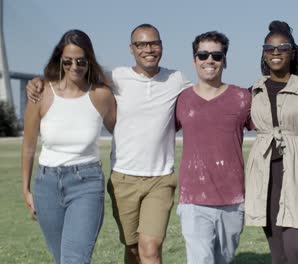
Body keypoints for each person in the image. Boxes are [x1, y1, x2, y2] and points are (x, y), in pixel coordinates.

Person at [27, 24, 191, 264]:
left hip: (161, 178)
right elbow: (78, 76)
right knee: (133, 249)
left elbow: (202, 96)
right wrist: (39, 80)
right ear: (131, 49)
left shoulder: (176, 79)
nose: (148, 49)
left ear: (162, 46)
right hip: (123, 179)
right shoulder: (114, 79)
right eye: (141, 44)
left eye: (154, 43)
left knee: (151, 249)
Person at [21, 29, 116, 264]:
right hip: (47, 186)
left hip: (86, 183)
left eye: (81, 61)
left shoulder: (101, 95)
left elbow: (122, 133)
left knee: (74, 260)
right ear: (60, 61)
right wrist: (26, 190)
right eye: (68, 61)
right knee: (61, 259)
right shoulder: (41, 93)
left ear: (89, 61)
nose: (75, 66)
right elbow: (29, 145)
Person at [244, 21, 298, 264]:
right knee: (279, 255)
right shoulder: (253, 92)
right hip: (265, 178)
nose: (276, 52)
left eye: (282, 47)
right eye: (270, 48)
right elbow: (228, 127)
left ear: (292, 52)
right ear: (263, 53)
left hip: (296, 175)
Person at [175, 31, 253, 264]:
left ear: (225, 60)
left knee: (224, 260)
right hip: (193, 200)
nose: (210, 60)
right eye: (203, 54)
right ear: (194, 60)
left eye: (217, 56)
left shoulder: (243, 98)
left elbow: (269, 130)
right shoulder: (182, 99)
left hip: (233, 200)